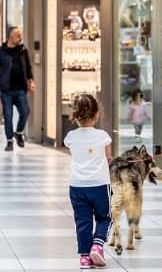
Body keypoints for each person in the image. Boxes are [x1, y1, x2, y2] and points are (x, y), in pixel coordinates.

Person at [64, 94, 112, 269]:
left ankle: (85, 258)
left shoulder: (70, 137)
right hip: (99, 185)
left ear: (75, 116)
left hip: (77, 186)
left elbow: (75, 152)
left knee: (83, 221)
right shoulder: (103, 136)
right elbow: (108, 158)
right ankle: (97, 245)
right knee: (105, 217)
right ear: (97, 115)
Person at [0, 26, 35, 151]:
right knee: (8, 116)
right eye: (17, 35)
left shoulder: (23, 50)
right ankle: (9, 141)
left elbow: (28, 67)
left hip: (21, 88)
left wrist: (31, 81)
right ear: (10, 36)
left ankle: (19, 132)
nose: (20, 37)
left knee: (25, 112)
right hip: (6, 89)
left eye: (20, 35)